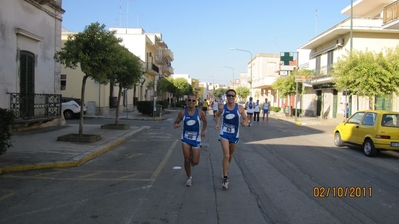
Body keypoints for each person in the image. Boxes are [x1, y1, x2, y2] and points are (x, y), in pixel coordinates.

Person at [215, 89, 248, 189]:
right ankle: (225, 177)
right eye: (229, 95)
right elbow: (217, 115)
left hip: (234, 134)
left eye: (233, 96)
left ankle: (225, 169)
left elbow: (245, 118)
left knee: (231, 155)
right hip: (224, 133)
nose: (231, 97)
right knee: (226, 154)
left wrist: (244, 122)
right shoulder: (222, 107)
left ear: (235, 97)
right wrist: (217, 124)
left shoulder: (240, 108)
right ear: (226, 96)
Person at [174, 94, 208, 187]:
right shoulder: (182, 113)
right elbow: (176, 121)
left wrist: (204, 130)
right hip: (185, 138)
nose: (191, 102)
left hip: (196, 138)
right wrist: (176, 124)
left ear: (196, 101)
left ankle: (192, 157)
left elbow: (205, 121)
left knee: (195, 162)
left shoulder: (200, 112)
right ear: (187, 101)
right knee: (186, 158)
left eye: (193, 100)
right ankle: (189, 177)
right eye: (189, 100)